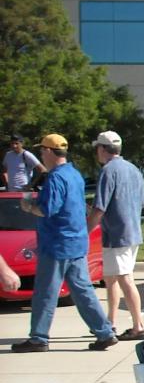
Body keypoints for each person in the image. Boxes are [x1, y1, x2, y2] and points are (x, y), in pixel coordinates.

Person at [12, 134, 118, 352]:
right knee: (82, 290)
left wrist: (28, 206)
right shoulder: (74, 174)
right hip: (76, 242)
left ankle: (38, 338)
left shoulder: (55, 178)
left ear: (49, 151)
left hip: (56, 244)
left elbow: (46, 210)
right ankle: (105, 333)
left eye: (42, 151)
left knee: (45, 292)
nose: (41, 155)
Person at [87, 131, 144, 340]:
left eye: (97, 148)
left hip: (117, 235)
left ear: (102, 149)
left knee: (125, 279)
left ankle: (138, 327)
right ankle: (110, 322)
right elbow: (143, 203)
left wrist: (85, 232)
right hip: (133, 232)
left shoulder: (108, 171)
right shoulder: (133, 169)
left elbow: (99, 208)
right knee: (111, 277)